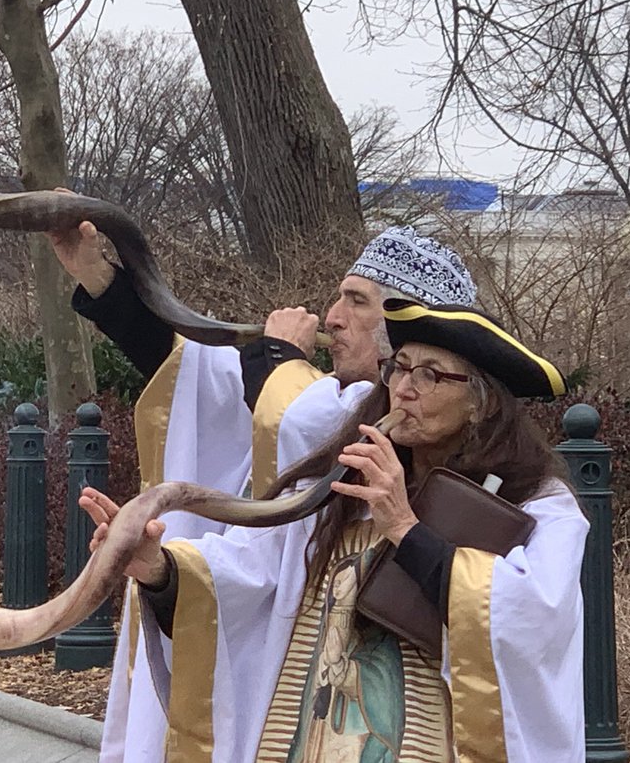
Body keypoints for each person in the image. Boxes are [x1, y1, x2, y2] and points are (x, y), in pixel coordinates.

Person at [50, 215, 478, 759]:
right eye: (337, 300)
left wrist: (280, 357)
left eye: (357, 302)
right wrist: (97, 275)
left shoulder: (406, 434)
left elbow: (303, 415)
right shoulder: (313, 399)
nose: (333, 317)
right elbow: (197, 376)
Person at [82, 299, 585, 762]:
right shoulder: (335, 485)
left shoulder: (538, 506)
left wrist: (407, 529)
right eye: (400, 367)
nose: (404, 388)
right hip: (307, 735)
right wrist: (160, 569)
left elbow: (531, 617)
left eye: (430, 375)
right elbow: (253, 573)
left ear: (481, 403)